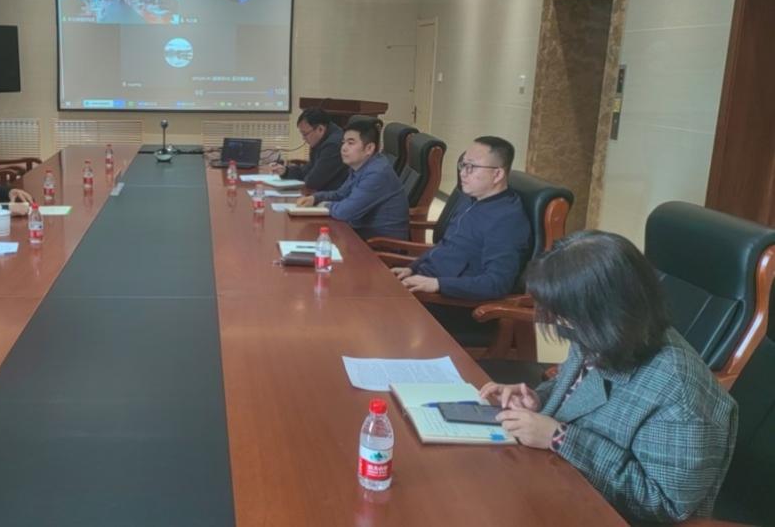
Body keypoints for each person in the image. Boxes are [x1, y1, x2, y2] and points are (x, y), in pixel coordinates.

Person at [480, 231, 737, 523]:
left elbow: (665, 506)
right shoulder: (605, 334)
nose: (560, 322)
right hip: (561, 482)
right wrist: (538, 399)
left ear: (603, 312)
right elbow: (578, 386)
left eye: (564, 314)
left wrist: (560, 438)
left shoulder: (679, 394)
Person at [392, 136, 530, 301]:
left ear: (497, 174)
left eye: (472, 167)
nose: (463, 173)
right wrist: (412, 268)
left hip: (449, 300)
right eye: (463, 165)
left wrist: (437, 284)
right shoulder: (471, 199)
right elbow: (445, 245)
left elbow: (496, 284)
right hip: (424, 281)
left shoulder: (507, 220)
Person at [296, 118, 409, 240]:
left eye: (350, 143)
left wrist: (325, 205)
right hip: (360, 234)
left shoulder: (377, 173)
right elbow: (340, 194)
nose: (343, 148)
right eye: (343, 142)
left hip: (380, 244)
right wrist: (315, 198)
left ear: (369, 148)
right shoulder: (360, 166)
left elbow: (344, 212)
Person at [271, 108, 347, 192]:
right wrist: (285, 171)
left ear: (320, 129)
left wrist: (305, 177)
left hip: (333, 196)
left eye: (305, 134)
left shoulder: (333, 145)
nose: (303, 138)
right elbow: (306, 170)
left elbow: (313, 182)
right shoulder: (321, 140)